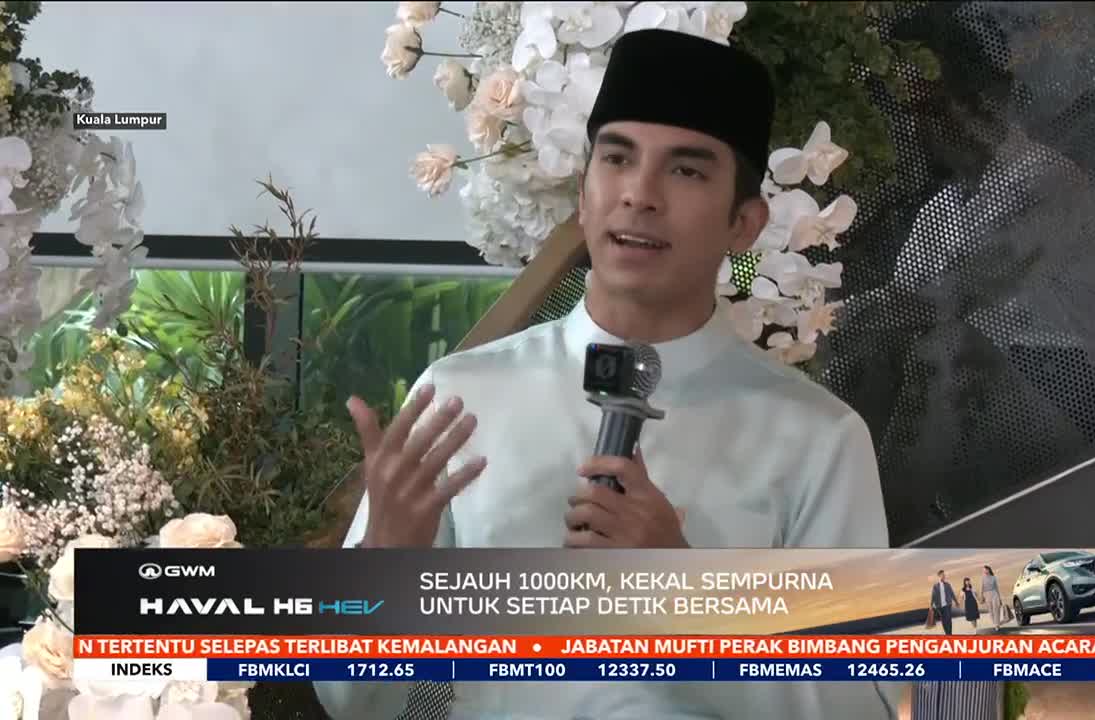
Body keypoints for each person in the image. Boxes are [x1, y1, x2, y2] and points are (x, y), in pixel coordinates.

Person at [313, 28, 892, 720]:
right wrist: (383, 565)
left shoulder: (819, 439)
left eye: (686, 171)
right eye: (617, 159)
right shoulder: (461, 398)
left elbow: (867, 703)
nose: (639, 194)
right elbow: (354, 702)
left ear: (744, 223)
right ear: (583, 197)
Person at [930, 570, 959, 636]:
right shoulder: (935, 586)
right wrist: (931, 605)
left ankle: (950, 634)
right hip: (939, 606)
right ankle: (947, 633)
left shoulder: (947, 584)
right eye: (942, 575)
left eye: (944, 575)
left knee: (948, 619)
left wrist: (956, 602)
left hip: (947, 604)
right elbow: (933, 596)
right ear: (939, 576)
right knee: (943, 620)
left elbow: (952, 593)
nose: (944, 576)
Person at [980, 565, 1004, 632]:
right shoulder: (983, 578)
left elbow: (996, 587)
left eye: (985, 570)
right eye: (983, 570)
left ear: (988, 570)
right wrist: (982, 597)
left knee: (996, 609)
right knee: (991, 611)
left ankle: (997, 625)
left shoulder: (994, 577)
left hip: (994, 594)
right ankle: (995, 623)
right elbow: (982, 588)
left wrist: (999, 597)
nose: (984, 571)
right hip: (987, 595)